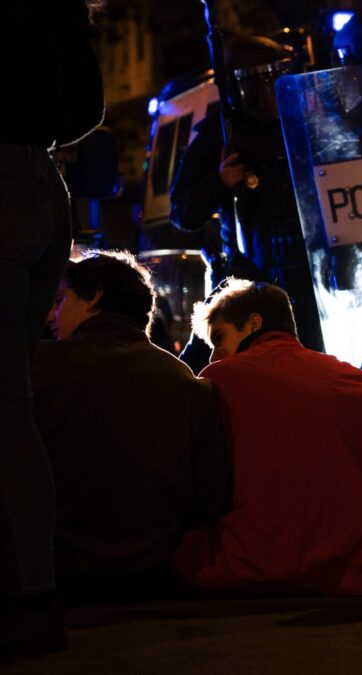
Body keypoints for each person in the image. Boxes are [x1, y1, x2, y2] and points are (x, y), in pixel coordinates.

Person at [172, 280, 362, 594]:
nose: (214, 356)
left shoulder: (221, 380)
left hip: (258, 558)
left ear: (254, 323)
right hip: (359, 560)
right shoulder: (354, 380)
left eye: (220, 338)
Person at [32, 252, 229, 604]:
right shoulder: (189, 384)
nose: (52, 315)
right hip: (155, 577)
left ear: (94, 296)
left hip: (59, 577)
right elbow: (212, 497)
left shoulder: (37, 369)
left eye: (60, 301)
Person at [0, 0, 103, 660]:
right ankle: (35, 594)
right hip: (40, 181)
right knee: (13, 403)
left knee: (6, 412)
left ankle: (30, 597)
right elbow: (86, 108)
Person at [169, 34, 323, 367]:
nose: (273, 91)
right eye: (264, 82)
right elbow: (182, 211)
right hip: (250, 276)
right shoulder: (220, 132)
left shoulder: (304, 122)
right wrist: (220, 181)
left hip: (314, 273)